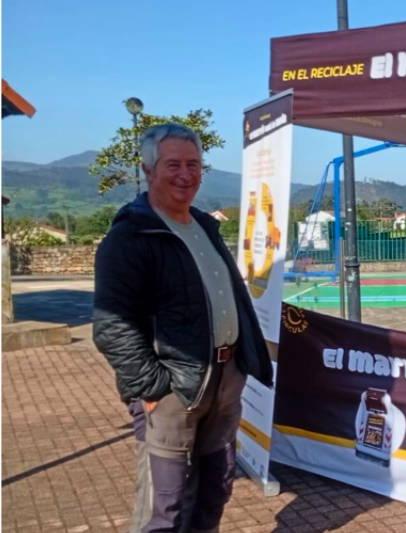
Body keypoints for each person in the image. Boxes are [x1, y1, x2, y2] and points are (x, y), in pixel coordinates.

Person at [93, 123, 274, 533]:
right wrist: (152, 387)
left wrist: (241, 363)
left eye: (194, 164)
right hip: (172, 390)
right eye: (173, 164)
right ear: (148, 170)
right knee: (166, 504)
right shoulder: (131, 236)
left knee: (215, 489)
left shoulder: (204, 227)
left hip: (224, 381)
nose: (185, 174)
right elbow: (111, 325)